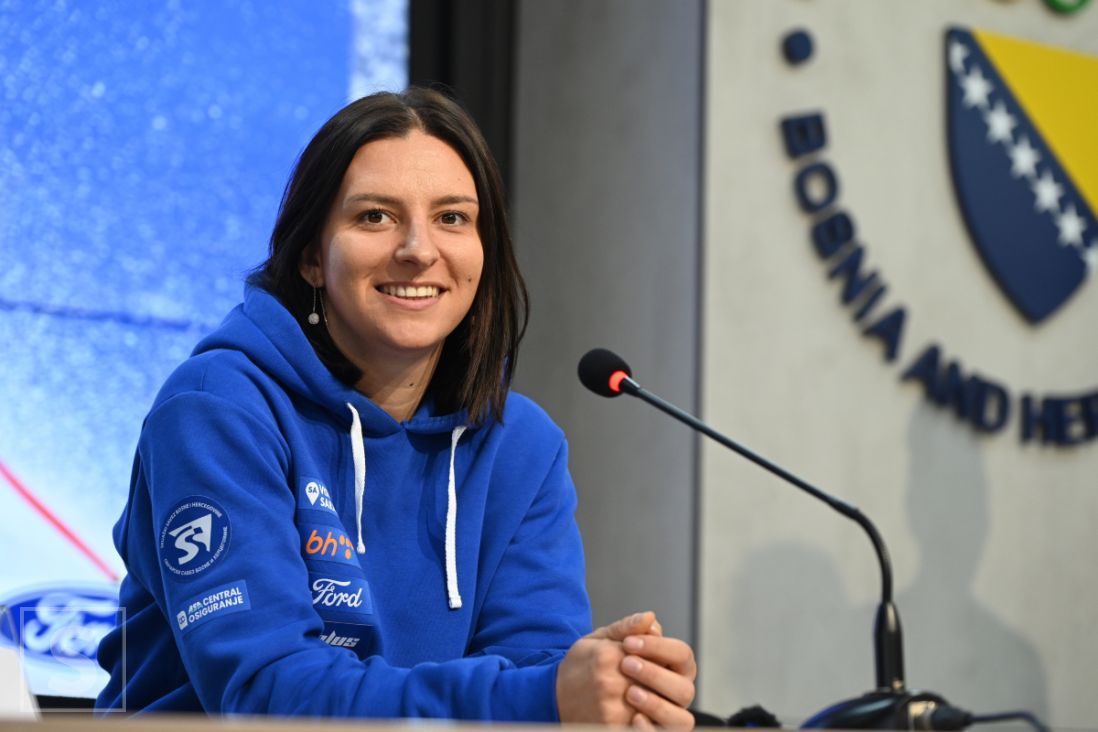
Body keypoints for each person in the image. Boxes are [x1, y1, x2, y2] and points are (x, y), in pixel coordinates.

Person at [95, 88, 696, 726]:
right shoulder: (218, 409)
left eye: (452, 218)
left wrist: (620, 690)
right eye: (376, 216)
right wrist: (546, 697)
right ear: (311, 257)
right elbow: (266, 696)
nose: (418, 249)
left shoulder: (521, 445)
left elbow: (536, 668)